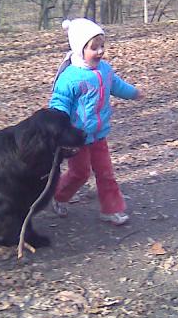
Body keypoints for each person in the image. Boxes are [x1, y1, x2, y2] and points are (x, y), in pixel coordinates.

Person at [49, 18, 142, 225]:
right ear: (80, 49)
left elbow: (116, 85)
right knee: (79, 173)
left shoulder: (104, 70)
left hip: (99, 134)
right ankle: (59, 196)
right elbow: (59, 102)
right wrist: (57, 124)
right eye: (94, 48)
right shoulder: (70, 78)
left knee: (106, 172)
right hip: (77, 137)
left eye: (102, 46)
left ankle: (111, 209)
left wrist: (133, 93)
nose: (100, 51)